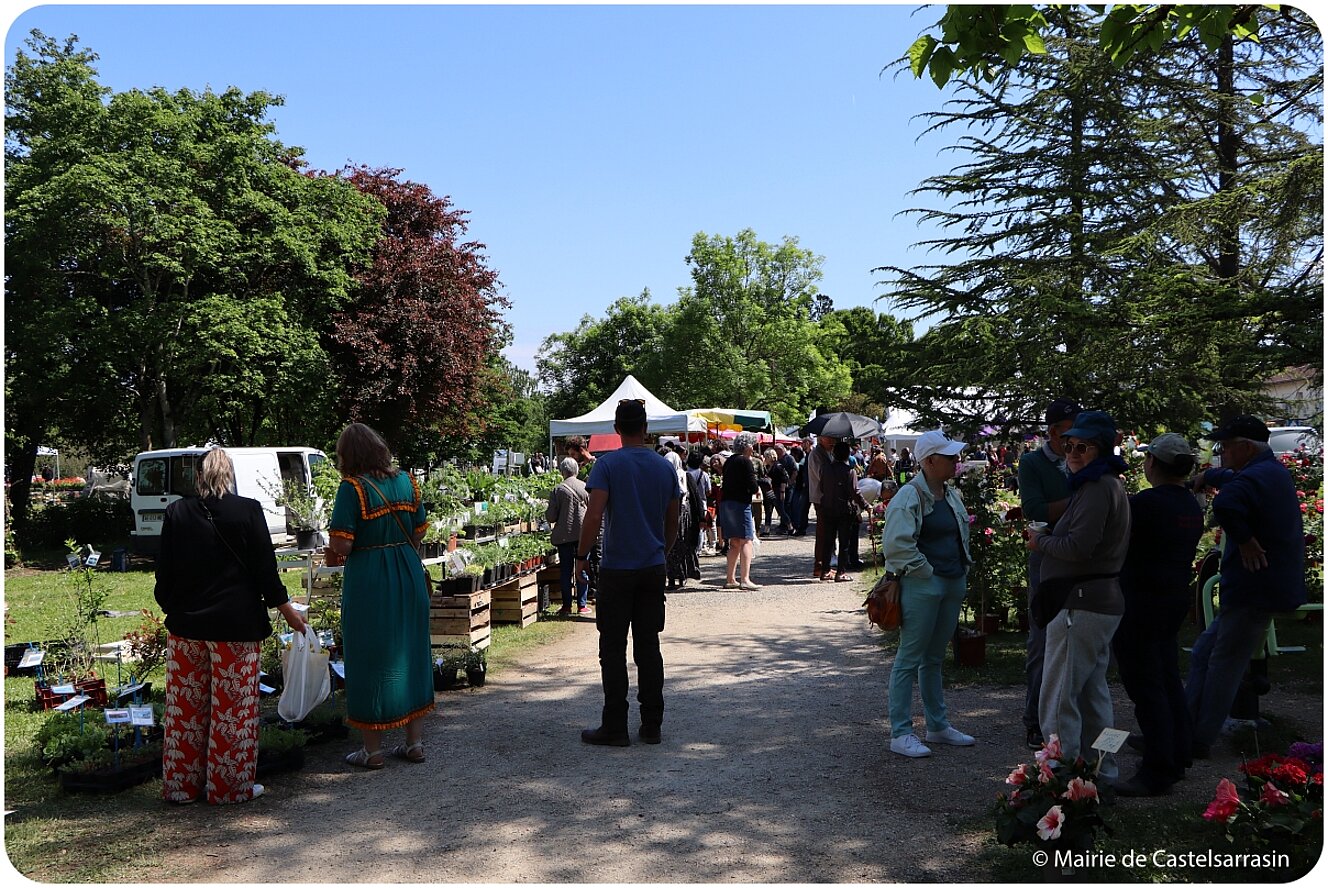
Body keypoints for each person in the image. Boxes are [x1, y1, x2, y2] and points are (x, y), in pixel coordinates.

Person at [156, 448, 306, 804]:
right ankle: (228, 789)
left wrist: (172, 607)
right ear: (229, 476)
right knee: (232, 711)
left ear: (197, 476)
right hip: (236, 628)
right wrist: (286, 610)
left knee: (185, 711)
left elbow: (164, 571)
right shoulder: (247, 510)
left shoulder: (176, 512)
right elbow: (265, 571)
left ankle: (181, 787)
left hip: (187, 628)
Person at [1186, 415, 1306, 758]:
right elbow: (1232, 478)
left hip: (1255, 590)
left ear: (1246, 447)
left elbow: (1225, 504)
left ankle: (1199, 739)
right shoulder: (1267, 471)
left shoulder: (1253, 477)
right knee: (1204, 653)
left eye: (1225, 446)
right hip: (1260, 589)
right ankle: (1185, 725)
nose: (1221, 451)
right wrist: (1209, 475)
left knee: (1224, 662)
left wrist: (1245, 540)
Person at [1026, 410, 1129, 782]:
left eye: (1082, 446)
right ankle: (1104, 770)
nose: (1073, 452)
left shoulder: (1098, 487)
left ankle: (1059, 775)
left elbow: (1079, 547)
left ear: (1100, 450)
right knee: (1092, 695)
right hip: (1094, 601)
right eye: (1068, 445)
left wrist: (1042, 541)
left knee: (1058, 696)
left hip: (1082, 602)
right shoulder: (1100, 485)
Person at [327, 423, 435, 769]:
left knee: (369, 654)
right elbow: (418, 533)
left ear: (349, 456)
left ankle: (372, 751)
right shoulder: (407, 481)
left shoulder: (352, 488)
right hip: (407, 570)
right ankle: (414, 743)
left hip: (370, 577)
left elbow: (341, 544)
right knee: (413, 650)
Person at [577, 399, 681, 746]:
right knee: (649, 646)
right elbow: (673, 520)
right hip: (651, 566)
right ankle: (652, 724)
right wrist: (661, 551)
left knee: (612, 648)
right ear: (646, 428)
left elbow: (593, 516)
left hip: (617, 569)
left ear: (617, 429)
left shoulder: (607, 466)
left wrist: (580, 556)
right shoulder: (664, 467)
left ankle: (615, 725)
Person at [1111, 433, 1204, 797]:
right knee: (1166, 677)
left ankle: (1157, 768)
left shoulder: (1145, 504)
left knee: (1145, 685)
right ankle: (1179, 750)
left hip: (1141, 601)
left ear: (1152, 463)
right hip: (1173, 598)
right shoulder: (1190, 504)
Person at [881, 430, 975, 757]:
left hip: (949, 582)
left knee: (933, 659)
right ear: (930, 461)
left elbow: (959, 535)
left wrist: (957, 571)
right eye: (950, 457)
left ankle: (937, 726)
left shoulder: (950, 494)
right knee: (909, 659)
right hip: (924, 585)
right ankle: (901, 732)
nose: (956, 461)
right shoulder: (909, 496)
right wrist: (927, 572)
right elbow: (896, 545)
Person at [1017, 397, 1081, 749]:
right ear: (1054, 431)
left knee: (1079, 638)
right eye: (1070, 431)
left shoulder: (1085, 457)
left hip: (1080, 557)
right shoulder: (1032, 462)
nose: (1077, 439)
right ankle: (1034, 720)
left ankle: (1070, 719)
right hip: (1046, 556)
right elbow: (1035, 510)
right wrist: (1081, 501)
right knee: (1041, 639)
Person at [546, 457, 590, 615]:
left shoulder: (558, 490)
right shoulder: (585, 487)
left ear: (562, 471)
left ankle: (566, 605)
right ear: (576, 470)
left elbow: (551, 516)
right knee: (582, 568)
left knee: (565, 570)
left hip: (564, 537)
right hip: (583, 536)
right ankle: (582, 605)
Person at [821, 441, 868, 582]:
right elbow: (855, 492)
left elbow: (821, 487)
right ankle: (840, 572)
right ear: (847, 454)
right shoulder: (850, 471)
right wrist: (866, 506)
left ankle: (825, 570)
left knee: (828, 541)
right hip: (844, 509)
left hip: (828, 507)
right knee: (844, 542)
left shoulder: (826, 468)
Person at [719, 432, 761, 591]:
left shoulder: (729, 461)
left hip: (726, 503)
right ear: (748, 446)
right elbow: (752, 485)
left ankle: (730, 578)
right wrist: (756, 489)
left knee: (734, 542)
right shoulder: (745, 461)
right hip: (740, 504)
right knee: (746, 540)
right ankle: (745, 579)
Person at [664, 450, 702, 589]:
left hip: (683, 518)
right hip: (675, 517)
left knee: (680, 547)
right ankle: (673, 578)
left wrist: (701, 517)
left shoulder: (686, 476)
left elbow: (696, 498)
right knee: (672, 548)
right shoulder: (666, 477)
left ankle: (680, 577)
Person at [807, 434, 836, 577]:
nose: (832, 441)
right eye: (828, 438)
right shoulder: (816, 454)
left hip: (827, 497)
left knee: (828, 533)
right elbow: (822, 476)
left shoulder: (827, 453)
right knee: (823, 533)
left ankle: (825, 565)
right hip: (821, 498)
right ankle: (820, 566)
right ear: (820, 438)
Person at [762, 448, 791, 535]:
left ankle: (790, 527)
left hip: (778, 491)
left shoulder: (778, 466)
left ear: (769, 457)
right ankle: (766, 530)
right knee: (768, 510)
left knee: (781, 510)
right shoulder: (767, 467)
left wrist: (782, 492)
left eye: (765, 456)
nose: (764, 458)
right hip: (770, 491)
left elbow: (784, 479)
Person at [790, 438, 813, 536]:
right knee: (803, 508)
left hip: (812, 485)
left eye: (803, 443)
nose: (801, 445)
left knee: (805, 507)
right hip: (807, 486)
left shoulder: (813, 454)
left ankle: (802, 528)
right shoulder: (808, 455)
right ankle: (802, 528)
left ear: (807, 443)